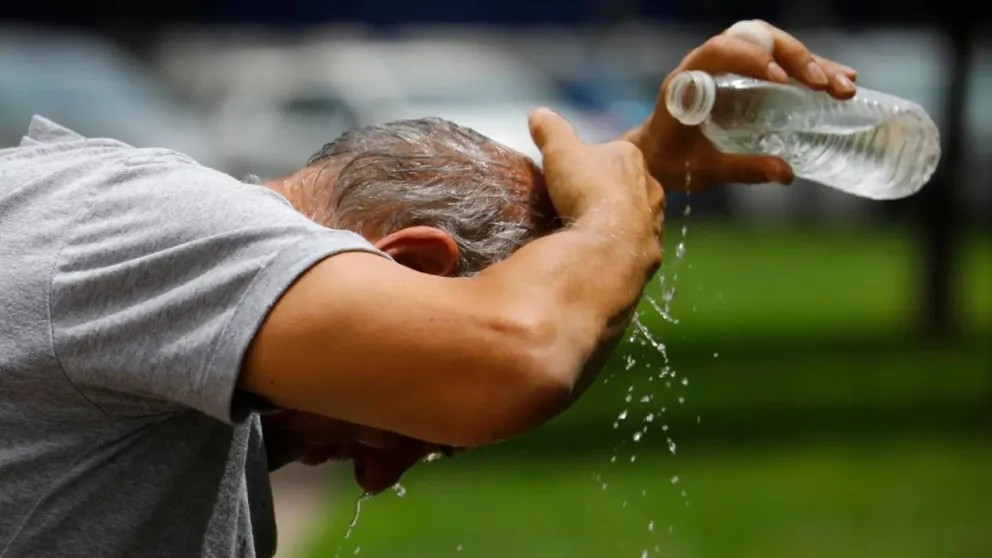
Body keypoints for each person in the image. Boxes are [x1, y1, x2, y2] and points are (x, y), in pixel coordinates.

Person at [0, 21, 857, 558]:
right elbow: (516, 360)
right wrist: (613, 220)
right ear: (411, 268)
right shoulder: (157, 224)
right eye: (420, 429)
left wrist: (635, 170)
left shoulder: (165, 307)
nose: (378, 476)